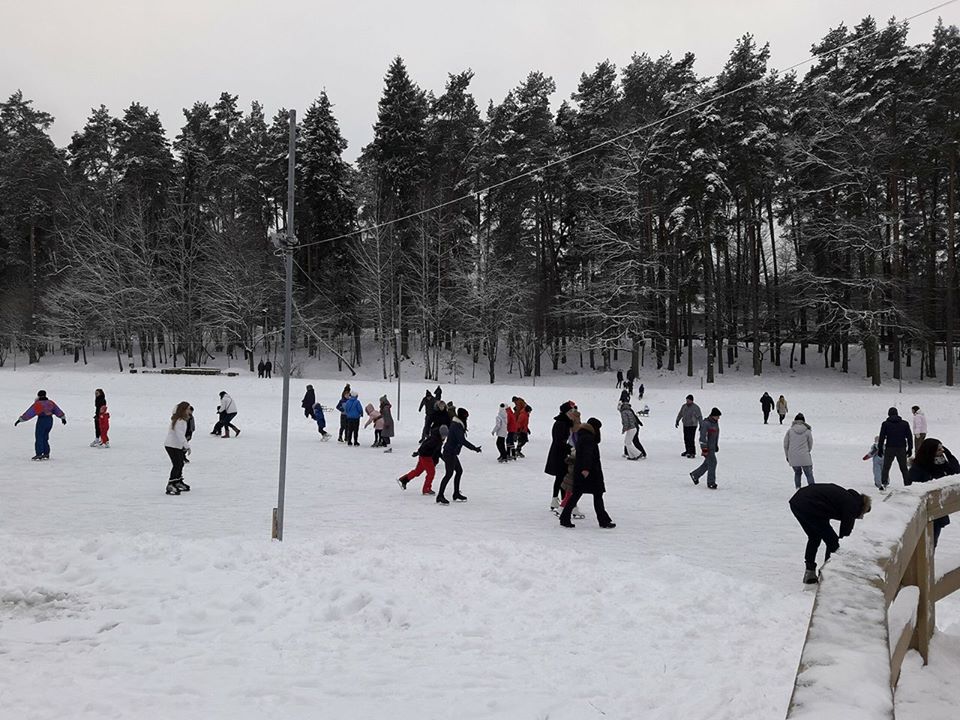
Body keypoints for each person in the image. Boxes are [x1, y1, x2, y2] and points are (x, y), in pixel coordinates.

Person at [789, 484, 872, 584]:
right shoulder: (852, 505)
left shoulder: (845, 497)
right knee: (832, 542)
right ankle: (827, 573)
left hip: (798, 501)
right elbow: (844, 536)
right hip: (811, 505)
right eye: (862, 514)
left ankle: (810, 571)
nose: (861, 517)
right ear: (862, 508)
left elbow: (825, 506)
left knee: (814, 537)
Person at [559, 417, 616, 529]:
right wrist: (586, 469)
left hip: (585, 471)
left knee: (579, 494)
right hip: (590, 473)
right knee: (596, 495)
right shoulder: (588, 438)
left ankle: (565, 517)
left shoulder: (583, 435)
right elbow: (587, 454)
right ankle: (603, 520)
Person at [907, 438, 959, 546]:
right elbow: (911, 488)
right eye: (939, 449)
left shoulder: (942, 463)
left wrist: (949, 455)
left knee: (932, 543)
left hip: (937, 512)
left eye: (942, 448)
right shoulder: (918, 469)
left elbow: (956, 472)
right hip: (924, 512)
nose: (942, 451)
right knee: (927, 545)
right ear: (930, 451)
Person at [437, 407, 482, 504]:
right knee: (449, 474)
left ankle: (456, 493)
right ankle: (440, 495)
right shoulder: (456, 426)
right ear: (462, 416)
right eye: (466, 416)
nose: (467, 419)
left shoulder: (458, 424)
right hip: (449, 453)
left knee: (459, 471)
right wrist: (474, 448)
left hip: (451, 452)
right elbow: (462, 440)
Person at [15, 390, 67, 460]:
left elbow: (29, 413)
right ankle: (46, 453)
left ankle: (39, 454)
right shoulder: (50, 403)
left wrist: (20, 420)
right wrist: (62, 418)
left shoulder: (38, 404)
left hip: (42, 420)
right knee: (45, 437)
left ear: (38, 395)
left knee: (39, 437)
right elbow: (57, 410)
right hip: (50, 421)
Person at [545, 401, 578, 510]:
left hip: (562, 452)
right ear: (566, 412)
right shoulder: (561, 423)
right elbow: (559, 440)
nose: (573, 412)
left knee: (562, 477)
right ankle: (560, 500)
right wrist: (570, 448)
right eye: (571, 411)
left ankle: (558, 500)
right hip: (560, 454)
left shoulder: (566, 422)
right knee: (562, 477)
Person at [398, 425, 449, 495]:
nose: (445, 437)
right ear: (440, 433)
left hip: (424, 456)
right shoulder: (435, 439)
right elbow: (425, 446)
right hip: (426, 457)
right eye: (444, 436)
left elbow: (437, 451)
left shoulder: (436, 438)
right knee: (431, 473)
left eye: (446, 436)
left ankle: (404, 479)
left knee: (418, 471)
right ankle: (426, 489)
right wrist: (419, 452)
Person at [878, 407, 912, 488]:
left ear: (889, 414)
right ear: (897, 413)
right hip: (901, 448)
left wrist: (880, 448)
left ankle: (884, 483)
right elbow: (909, 437)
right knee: (904, 468)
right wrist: (910, 448)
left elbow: (882, 437)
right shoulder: (905, 423)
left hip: (890, 448)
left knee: (886, 467)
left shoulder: (885, 424)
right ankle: (907, 484)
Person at [164, 402, 192, 495]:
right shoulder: (180, 421)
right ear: (184, 410)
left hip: (176, 445)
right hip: (172, 445)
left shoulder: (182, 420)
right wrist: (186, 446)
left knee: (180, 464)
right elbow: (180, 435)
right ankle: (171, 484)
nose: (189, 410)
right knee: (177, 464)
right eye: (188, 408)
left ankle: (178, 481)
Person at [690, 407, 721, 489]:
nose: (719, 418)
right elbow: (702, 438)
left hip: (712, 447)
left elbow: (716, 435)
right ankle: (711, 482)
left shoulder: (715, 423)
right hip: (707, 448)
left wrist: (716, 445)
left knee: (707, 463)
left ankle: (695, 475)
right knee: (713, 463)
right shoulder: (706, 424)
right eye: (717, 416)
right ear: (713, 416)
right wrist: (704, 449)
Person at [784, 413, 814, 489]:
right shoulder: (807, 431)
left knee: (797, 473)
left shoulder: (790, 431)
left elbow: (785, 444)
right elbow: (810, 443)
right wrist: (807, 451)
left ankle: (798, 489)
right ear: (804, 421)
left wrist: (787, 456)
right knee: (809, 474)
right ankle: (813, 489)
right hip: (804, 456)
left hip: (793, 456)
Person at [675, 394, 703, 458]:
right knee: (686, 438)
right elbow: (680, 414)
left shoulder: (696, 407)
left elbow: (699, 417)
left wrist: (701, 425)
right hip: (685, 424)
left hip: (692, 425)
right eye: (686, 400)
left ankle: (692, 452)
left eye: (688, 400)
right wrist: (677, 420)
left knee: (691, 439)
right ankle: (687, 451)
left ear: (692, 401)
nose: (687, 401)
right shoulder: (684, 406)